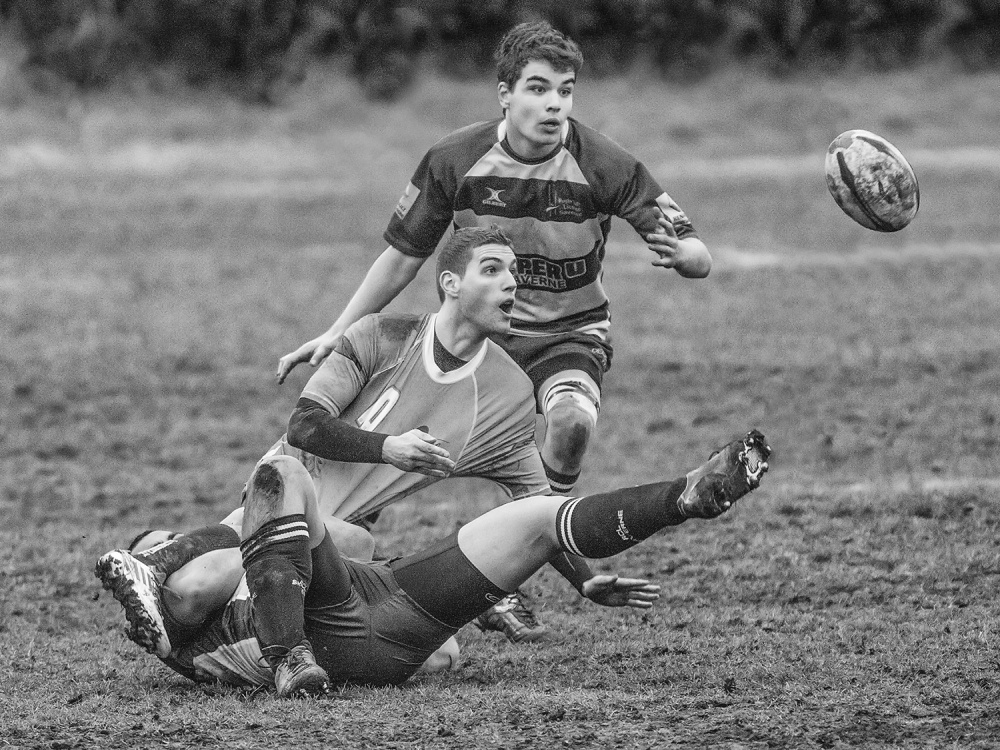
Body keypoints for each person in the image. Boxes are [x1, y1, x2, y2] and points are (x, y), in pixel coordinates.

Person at [277, 20, 711, 505]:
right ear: (505, 94)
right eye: (538, 89)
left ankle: (536, 523)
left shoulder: (603, 164)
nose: (554, 104)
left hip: (567, 334)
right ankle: (337, 517)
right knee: (381, 425)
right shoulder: (455, 159)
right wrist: (339, 329)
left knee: (572, 423)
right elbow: (402, 257)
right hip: (474, 334)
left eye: (565, 91)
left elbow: (699, 256)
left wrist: (682, 255)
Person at [110, 226, 598, 652]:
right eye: (492, 270)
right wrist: (389, 448)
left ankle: (164, 554)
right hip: (279, 496)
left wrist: (589, 581)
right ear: (450, 283)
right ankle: (161, 560)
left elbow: (540, 507)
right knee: (201, 592)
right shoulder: (381, 335)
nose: (511, 281)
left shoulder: (510, 393)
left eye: (514, 272)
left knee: (440, 651)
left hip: (339, 542)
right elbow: (304, 425)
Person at [96, 430, 770, 696]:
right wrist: (189, 551)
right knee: (279, 472)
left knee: (539, 518)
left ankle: (682, 497)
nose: (185, 541)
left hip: (387, 610)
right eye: (166, 544)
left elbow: (354, 544)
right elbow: (200, 582)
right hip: (323, 633)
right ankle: (290, 659)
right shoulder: (187, 603)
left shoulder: (261, 560)